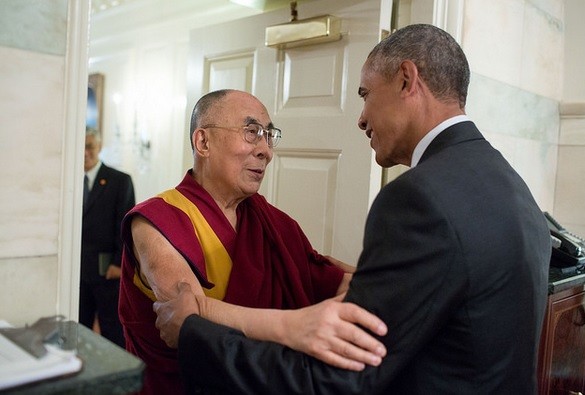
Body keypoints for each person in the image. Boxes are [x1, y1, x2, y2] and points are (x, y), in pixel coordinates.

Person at [153, 24, 552, 394]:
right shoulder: (511, 184)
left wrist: (195, 329)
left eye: (364, 94)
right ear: (202, 142)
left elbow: (339, 377)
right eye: (251, 132)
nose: (360, 119)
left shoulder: (419, 199)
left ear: (406, 80)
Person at [118, 89, 387, 395]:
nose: (266, 151)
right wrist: (298, 326)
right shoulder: (155, 220)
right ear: (203, 142)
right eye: (252, 132)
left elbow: (327, 278)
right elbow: (188, 323)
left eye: (269, 135)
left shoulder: (273, 224)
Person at [80, 126, 135, 348]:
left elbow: (126, 225)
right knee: (79, 329)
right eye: (80, 146)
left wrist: (118, 263)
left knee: (112, 329)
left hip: (107, 272)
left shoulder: (119, 180)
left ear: (99, 147)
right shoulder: (69, 180)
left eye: (89, 146)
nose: (84, 152)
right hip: (77, 273)